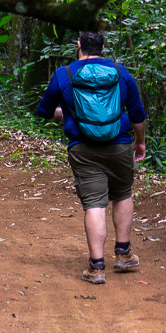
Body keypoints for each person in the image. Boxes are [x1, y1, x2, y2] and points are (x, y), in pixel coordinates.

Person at [37, 30, 147, 284]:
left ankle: (97, 268)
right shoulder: (120, 73)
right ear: (104, 47)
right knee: (122, 193)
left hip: (83, 148)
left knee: (95, 203)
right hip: (119, 144)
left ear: (78, 45)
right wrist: (140, 142)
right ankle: (123, 254)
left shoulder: (64, 74)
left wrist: (63, 112)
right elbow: (137, 113)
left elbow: (44, 110)